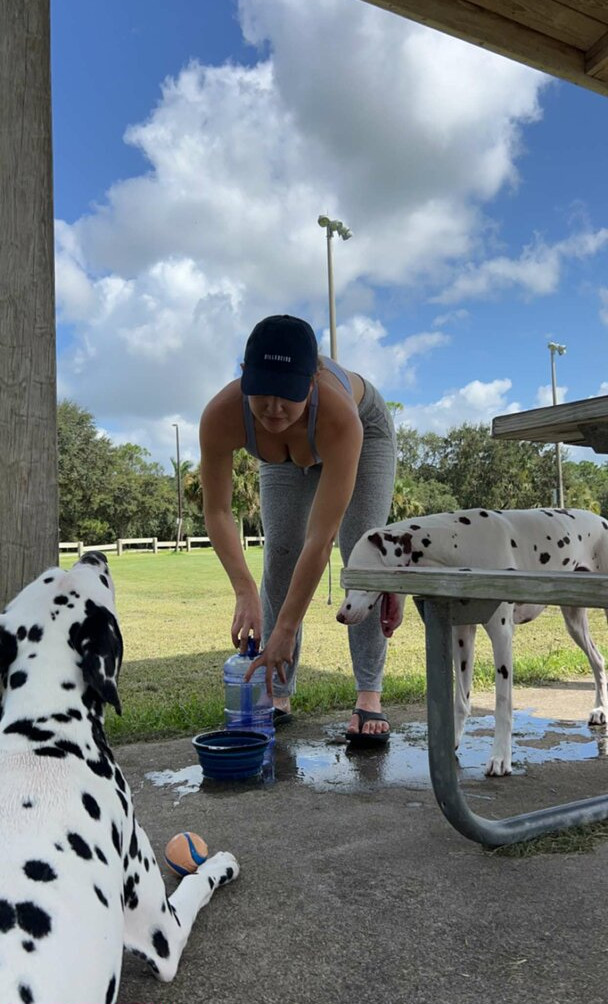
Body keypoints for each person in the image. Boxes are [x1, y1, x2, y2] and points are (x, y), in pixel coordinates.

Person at [199, 314, 397, 743]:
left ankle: (369, 697)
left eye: (287, 394)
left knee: (359, 553)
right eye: (262, 393)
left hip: (363, 434)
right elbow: (217, 511)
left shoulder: (340, 417)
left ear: (312, 381)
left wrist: (285, 628)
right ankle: (279, 694)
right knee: (281, 553)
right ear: (244, 377)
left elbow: (320, 538)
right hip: (285, 458)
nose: (273, 408)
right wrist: (243, 590)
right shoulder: (221, 415)